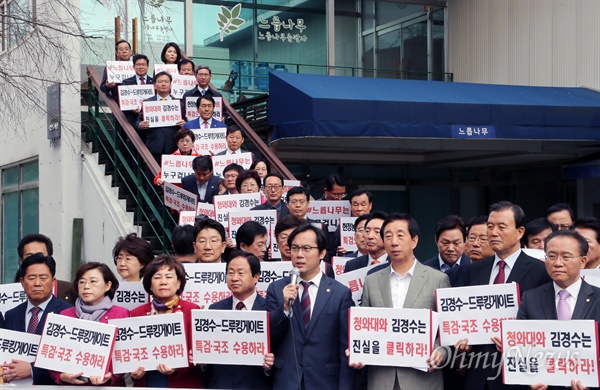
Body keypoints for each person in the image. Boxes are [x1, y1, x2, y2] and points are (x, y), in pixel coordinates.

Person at [457, 201, 552, 390]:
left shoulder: (541, 271)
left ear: (520, 232)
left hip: (520, 375)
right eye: (490, 226)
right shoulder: (473, 270)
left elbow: (546, 324)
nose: (493, 232)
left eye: (501, 227)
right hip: (478, 374)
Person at [359, 213, 449, 390]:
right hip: (381, 378)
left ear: (414, 241)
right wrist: (357, 349)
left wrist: (442, 351)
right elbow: (364, 329)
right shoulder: (371, 280)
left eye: (400, 235)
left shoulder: (438, 279)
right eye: (388, 236)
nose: (394, 242)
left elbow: (447, 330)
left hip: (422, 378)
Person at [265, 224, 355, 389]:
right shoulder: (277, 289)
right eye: (295, 248)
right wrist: (284, 308)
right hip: (287, 380)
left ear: (322, 252)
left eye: (306, 248)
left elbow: (345, 347)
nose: (299, 255)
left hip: (325, 381)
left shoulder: (340, 294)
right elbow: (268, 336)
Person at [517, 229, 600, 390]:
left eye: (566, 257)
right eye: (552, 256)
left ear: (583, 261)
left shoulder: (598, 299)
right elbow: (521, 350)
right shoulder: (531, 298)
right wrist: (530, 380)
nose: (558, 263)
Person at [50, 263, 129, 386]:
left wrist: (111, 375)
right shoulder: (65, 315)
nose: (86, 286)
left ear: (108, 285)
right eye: (82, 282)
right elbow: (52, 354)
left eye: (93, 281)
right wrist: (61, 376)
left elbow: (126, 354)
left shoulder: (121, 313)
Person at [130, 255, 201, 388]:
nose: (163, 282)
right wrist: (134, 373)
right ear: (150, 285)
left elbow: (196, 351)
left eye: (169, 277)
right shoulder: (136, 313)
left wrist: (177, 368)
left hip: (181, 383)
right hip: (149, 382)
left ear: (179, 283)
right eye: (157, 277)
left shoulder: (191, 309)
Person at [205, 251, 273, 388]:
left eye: (241, 273)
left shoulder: (269, 311)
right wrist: (202, 360)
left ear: (256, 276)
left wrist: (268, 367)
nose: (234, 278)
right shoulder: (215, 309)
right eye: (230, 273)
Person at [2, 254, 72, 385]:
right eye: (32, 278)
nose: (37, 283)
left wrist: (32, 369)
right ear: (22, 282)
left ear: (53, 281)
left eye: (43, 278)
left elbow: (70, 360)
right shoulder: (12, 315)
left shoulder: (67, 313)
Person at [136, 71, 185, 165]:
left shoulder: (179, 104)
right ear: (154, 85)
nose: (163, 84)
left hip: (173, 146)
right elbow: (139, 120)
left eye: (166, 82)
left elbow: (185, 121)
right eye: (160, 81)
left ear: (170, 85)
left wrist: (184, 124)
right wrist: (140, 125)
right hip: (154, 145)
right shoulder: (147, 102)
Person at [15, 233, 75, 303]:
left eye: (40, 255)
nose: (36, 259)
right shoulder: (7, 291)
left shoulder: (70, 290)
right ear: (21, 261)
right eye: (29, 256)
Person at [447, 215, 494, 287]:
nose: (475, 244)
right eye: (472, 238)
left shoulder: (499, 274)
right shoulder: (452, 275)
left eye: (483, 239)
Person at [329, 189, 374, 257]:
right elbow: (333, 251)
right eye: (355, 204)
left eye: (363, 204)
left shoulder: (377, 224)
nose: (359, 208)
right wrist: (339, 253)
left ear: (370, 205)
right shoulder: (342, 227)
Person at [121, 54, 153, 130]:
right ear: (133, 67)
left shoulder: (154, 82)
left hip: (151, 120)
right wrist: (131, 108)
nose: (141, 67)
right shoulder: (126, 82)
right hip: (133, 121)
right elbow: (123, 102)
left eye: (143, 64)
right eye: (138, 64)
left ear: (147, 67)